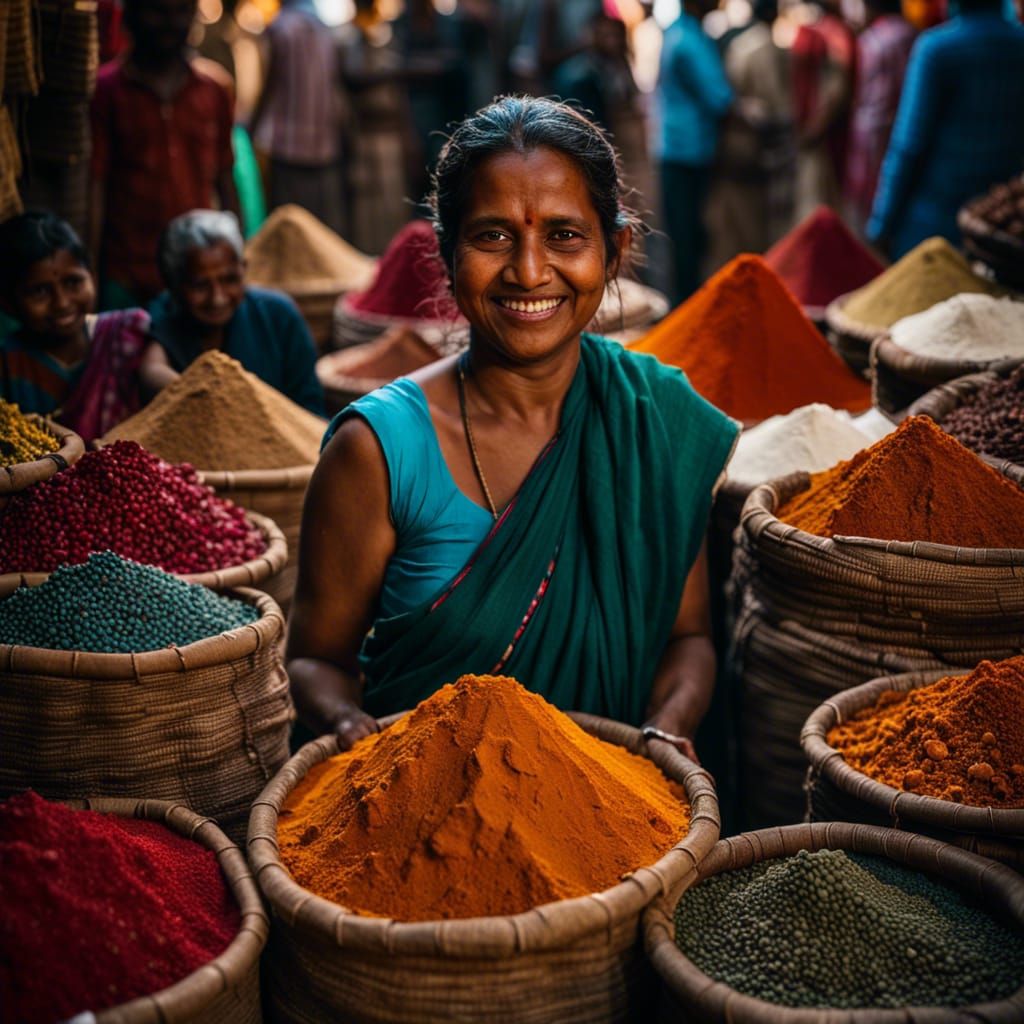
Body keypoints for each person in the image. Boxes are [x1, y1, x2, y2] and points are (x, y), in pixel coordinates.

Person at [287, 96, 739, 757]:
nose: (529, 271)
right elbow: (315, 661)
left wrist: (668, 725)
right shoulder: (378, 451)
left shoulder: (654, 423)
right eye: (492, 236)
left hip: (614, 820)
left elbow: (688, 638)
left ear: (615, 250)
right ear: (445, 253)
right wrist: (347, 725)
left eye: (564, 235)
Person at [89, 0, 240, 309]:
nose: (171, 23)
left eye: (181, 11)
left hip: (197, 273)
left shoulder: (215, 89)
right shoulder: (106, 91)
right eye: (157, 10)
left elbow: (226, 179)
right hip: (127, 271)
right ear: (131, 17)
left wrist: (236, 253)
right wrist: (91, 268)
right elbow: (96, 185)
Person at [867, 0, 1024, 258]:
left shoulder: (937, 49)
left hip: (934, 222)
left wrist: (881, 225)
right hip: (999, 229)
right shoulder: (1018, 45)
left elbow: (908, 145)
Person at [142, 210, 324, 414]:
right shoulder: (165, 315)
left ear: (243, 269)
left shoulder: (279, 315)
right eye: (200, 286)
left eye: (230, 280)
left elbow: (310, 406)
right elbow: (151, 369)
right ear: (174, 286)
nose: (217, 298)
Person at [0, 211, 150, 442]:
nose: (61, 303)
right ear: (8, 303)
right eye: (39, 291)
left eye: (73, 282)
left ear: (92, 276)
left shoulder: (126, 333)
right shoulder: (7, 363)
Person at [704, 0, 795, 271]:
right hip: (752, 146)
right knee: (755, 223)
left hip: (732, 144)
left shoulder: (739, 43)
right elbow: (775, 105)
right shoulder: (765, 48)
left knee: (735, 223)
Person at [655, 0, 735, 302]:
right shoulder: (689, 40)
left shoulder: (680, 32)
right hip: (688, 153)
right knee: (689, 242)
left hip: (679, 150)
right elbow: (720, 99)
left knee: (684, 239)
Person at [250, 0, 347, 235]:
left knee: (289, 228)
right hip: (323, 145)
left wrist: (252, 128)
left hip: (287, 145)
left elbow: (270, 85)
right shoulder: (324, 29)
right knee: (318, 229)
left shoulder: (280, 27)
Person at [844, 0, 915, 231]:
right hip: (909, 133)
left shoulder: (873, 41)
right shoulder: (913, 33)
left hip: (878, 144)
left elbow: (874, 110)